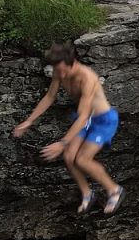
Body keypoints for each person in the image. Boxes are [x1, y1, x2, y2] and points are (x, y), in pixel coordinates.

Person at [12, 44, 125, 215]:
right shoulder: (59, 70)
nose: (61, 75)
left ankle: (114, 190)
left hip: (103, 121)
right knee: (69, 156)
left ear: (72, 63)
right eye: (58, 71)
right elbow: (50, 97)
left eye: (64, 71)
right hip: (84, 118)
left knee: (82, 159)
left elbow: (83, 117)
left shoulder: (87, 78)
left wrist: (63, 142)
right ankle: (87, 193)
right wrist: (29, 120)